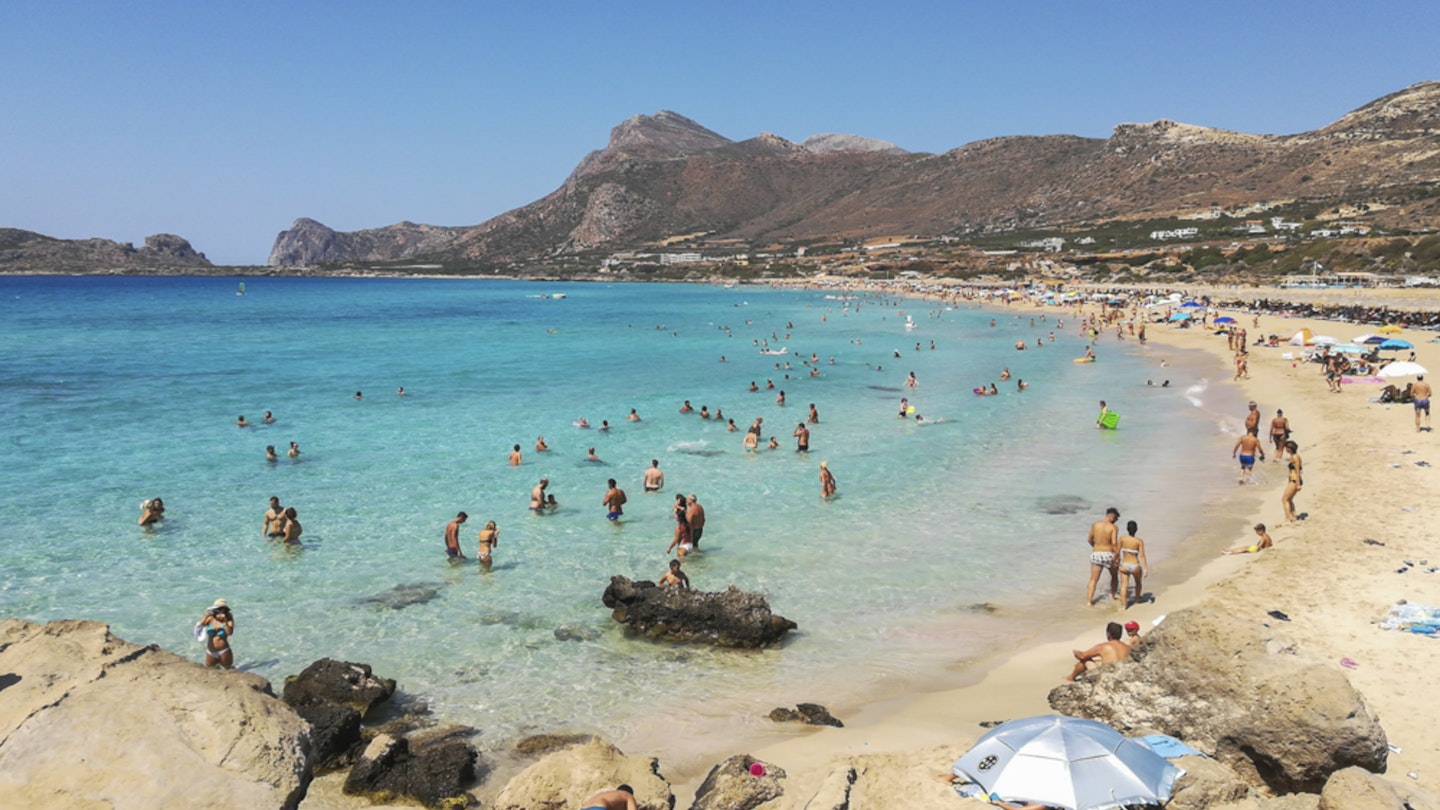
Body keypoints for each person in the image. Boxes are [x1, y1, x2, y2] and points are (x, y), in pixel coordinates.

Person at [1065, 622, 1131, 681]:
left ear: (1108, 634)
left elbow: (1082, 656)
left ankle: (1070, 678)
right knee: (1098, 660)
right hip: (1122, 674)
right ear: (1120, 634)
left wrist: (1076, 652)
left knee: (1085, 660)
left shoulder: (1103, 646)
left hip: (1107, 676)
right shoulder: (1128, 647)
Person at [1085, 507, 1121, 606]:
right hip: (1108, 554)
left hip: (1096, 553)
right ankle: (1114, 596)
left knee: (1093, 579)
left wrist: (1095, 547)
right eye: (1116, 519)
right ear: (1113, 517)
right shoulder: (1113, 528)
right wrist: (1117, 557)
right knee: (1114, 576)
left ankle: (1089, 601)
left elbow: (1089, 539)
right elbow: (1114, 544)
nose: (1115, 522)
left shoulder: (1095, 525)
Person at [1117, 520, 1148, 609]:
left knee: (1124, 585)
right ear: (1136, 529)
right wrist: (1145, 568)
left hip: (1124, 565)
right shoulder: (1139, 541)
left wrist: (1116, 561)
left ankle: (1124, 605)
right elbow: (1142, 555)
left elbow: (1117, 552)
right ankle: (1138, 598)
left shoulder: (1122, 539)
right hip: (1135, 565)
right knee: (1138, 583)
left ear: (1127, 529)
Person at [196, 599, 235, 669]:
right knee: (211, 670)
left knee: (228, 671)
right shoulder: (210, 618)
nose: (220, 611)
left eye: (222, 609)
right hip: (210, 651)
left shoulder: (229, 619)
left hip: (223, 650)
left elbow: (229, 633)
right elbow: (200, 625)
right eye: (218, 609)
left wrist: (225, 621)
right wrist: (206, 615)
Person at [1282, 441, 1303, 524]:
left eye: (1286, 448)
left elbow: (1298, 470)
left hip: (1295, 480)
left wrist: (1298, 483)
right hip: (1293, 480)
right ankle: (1293, 516)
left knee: (1284, 499)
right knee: (1289, 499)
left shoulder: (1295, 457)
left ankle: (1288, 519)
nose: (1285, 449)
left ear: (1290, 448)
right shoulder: (1293, 457)